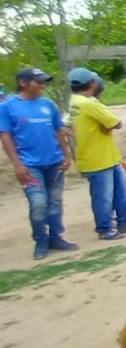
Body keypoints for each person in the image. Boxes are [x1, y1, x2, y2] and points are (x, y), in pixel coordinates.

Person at [0, 67, 77, 260]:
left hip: (54, 162)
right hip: (29, 165)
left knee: (55, 202)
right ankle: (41, 240)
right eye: (38, 81)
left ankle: (56, 237)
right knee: (38, 203)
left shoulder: (48, 105)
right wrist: (17, 164)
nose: (42, 85)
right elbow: (6, 136)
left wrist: (66, 155)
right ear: (23, 83)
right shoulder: (8, 106)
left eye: (44, 81)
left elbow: (59, 131)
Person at [68, 67, 126, 239]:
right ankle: (104, 229)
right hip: (99, 158)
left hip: (105, 155)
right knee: (103, 196)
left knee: (120, 191)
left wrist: (85, 133)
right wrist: (104, 126)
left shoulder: (74, 102)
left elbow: (64, 125)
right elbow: (116, 123)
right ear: (92, 83)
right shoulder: (89, 103)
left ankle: (125, 222)